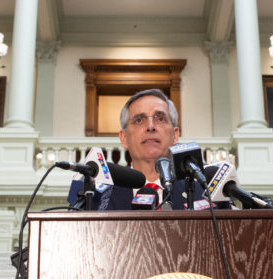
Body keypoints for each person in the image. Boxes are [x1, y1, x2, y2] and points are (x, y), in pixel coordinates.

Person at [66, 89, 203, 210]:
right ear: (124, 138)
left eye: (160, 119)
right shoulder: (95, 197)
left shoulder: (201, 193)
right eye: (139, 120)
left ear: (175, 135)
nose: (150, 126)